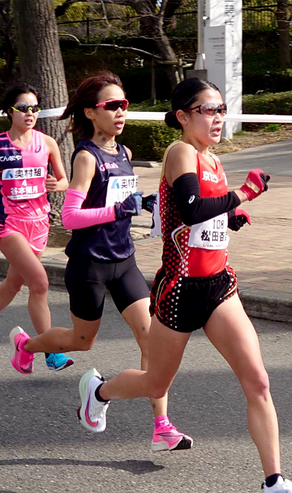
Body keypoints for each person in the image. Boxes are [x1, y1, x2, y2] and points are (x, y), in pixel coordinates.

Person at [76, 78, 292, 493]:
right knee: (155, 384)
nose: (218, 118)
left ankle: (274, 483)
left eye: (222, 110)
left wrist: (232, 215)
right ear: (184, 116)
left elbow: (208, 213)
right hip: (181, 289)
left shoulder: (212, 158)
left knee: (258, 381)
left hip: (219, 286)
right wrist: (243, 194)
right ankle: (98, 391)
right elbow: (189, 209)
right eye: (209, 110)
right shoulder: (181, 151)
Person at [9, 71, 192, 453]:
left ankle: (162, 427)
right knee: (82, 340)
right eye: (112, 105)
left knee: (151, 340)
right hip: (89, 265)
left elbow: (119, 204)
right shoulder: (86, 156)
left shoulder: (124, 154)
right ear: (92, 113)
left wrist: (141, 205)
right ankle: (27, 345)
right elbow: (72, 217)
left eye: (124, 104)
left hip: (123, 261)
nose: (121, 112)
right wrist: (116, 209)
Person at [0, 83, 73, 372]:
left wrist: (59, 184)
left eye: (34, 108)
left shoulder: (47, 143)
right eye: (23, 108)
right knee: (40, 283)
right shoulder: (1, 145)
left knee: (14, 284)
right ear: (9, 111)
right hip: (8, 225)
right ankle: (49, 350)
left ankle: (22, 349)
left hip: (39, 223)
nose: (29, 113)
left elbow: (64, 180)